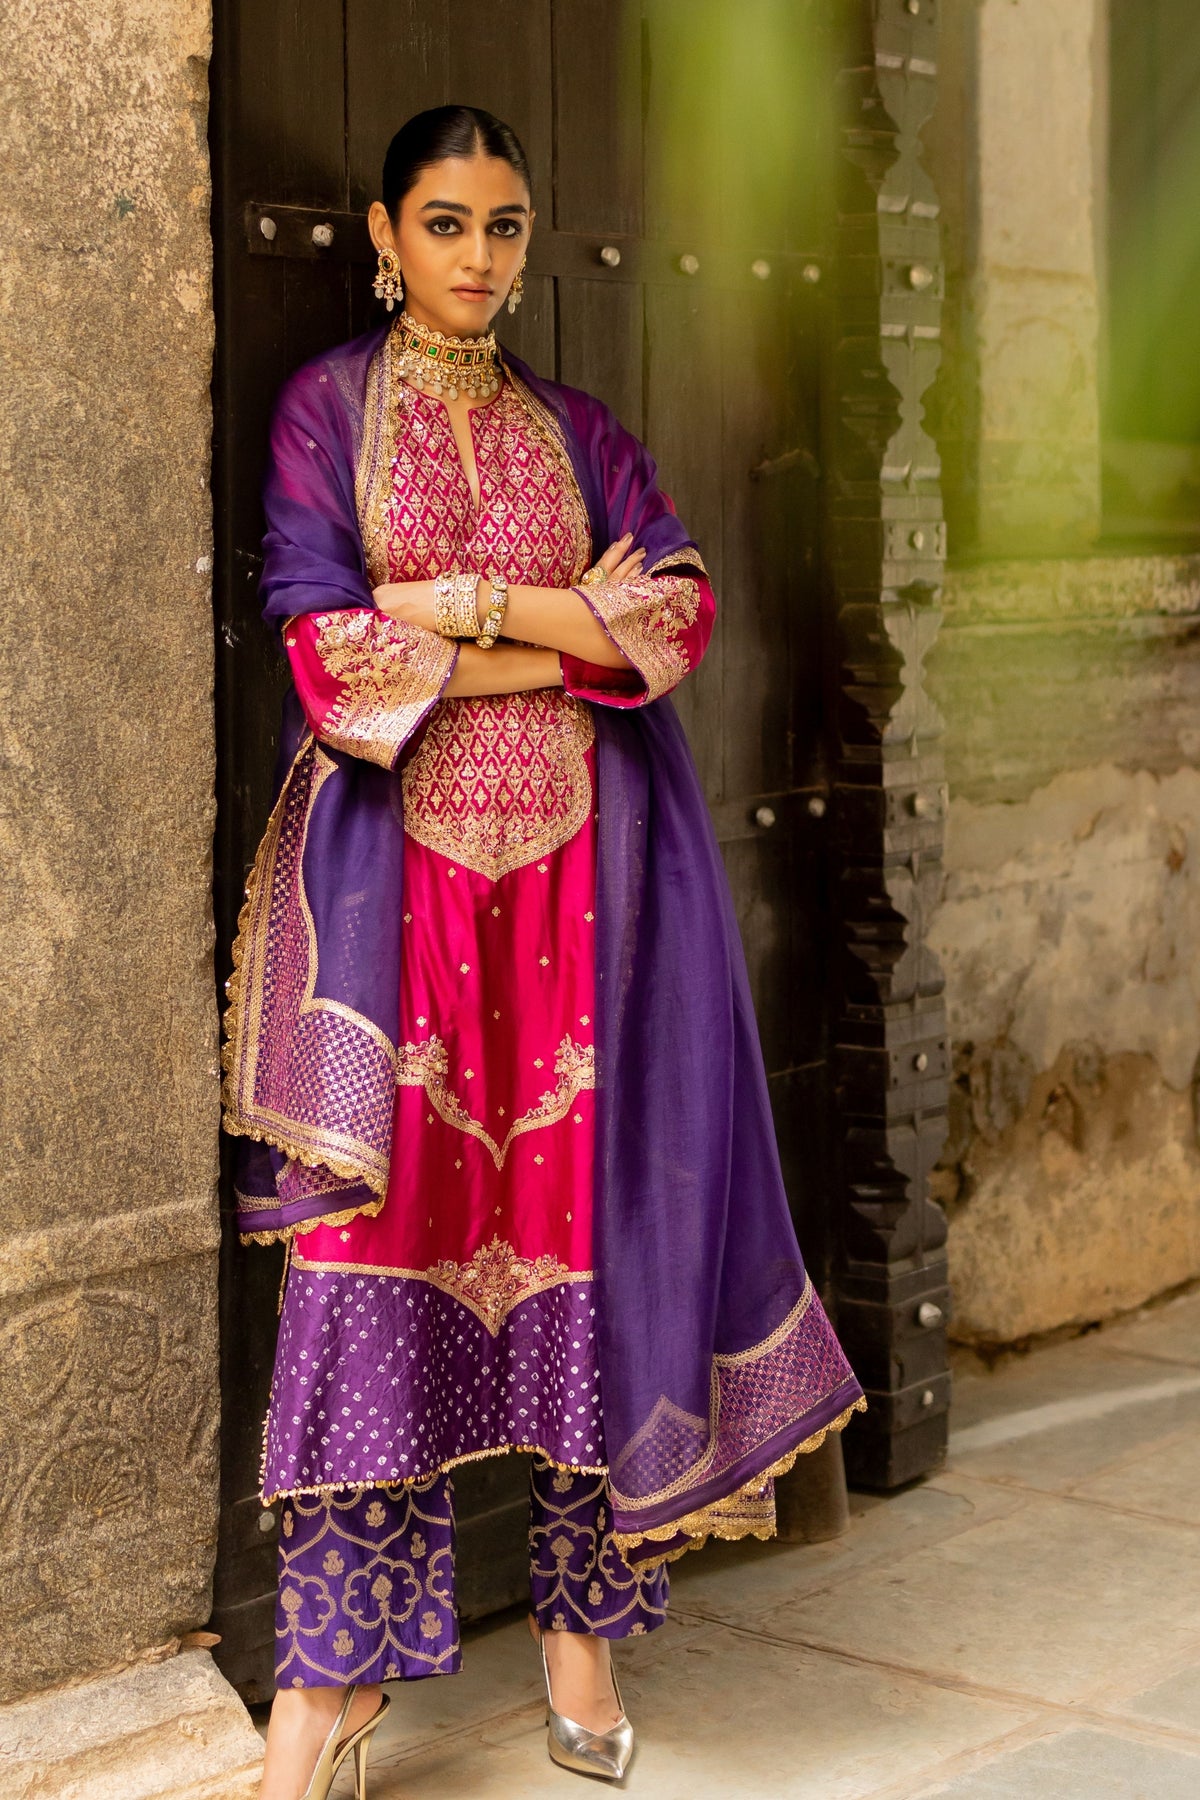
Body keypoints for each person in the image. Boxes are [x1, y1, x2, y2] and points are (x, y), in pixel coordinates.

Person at [222, 103, 866, 1800]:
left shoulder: (580, 429)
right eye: (448, 223)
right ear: (385, 230)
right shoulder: (325, 414)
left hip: (593, 891)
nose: (482, 258)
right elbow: (327, 650)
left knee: (580, 1243)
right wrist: (555, 632)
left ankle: (582, 1638)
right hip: (400, 906)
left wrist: (467, 616)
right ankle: (331, 1688)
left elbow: (672, 619)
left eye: (507, 226)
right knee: (381, 1259)